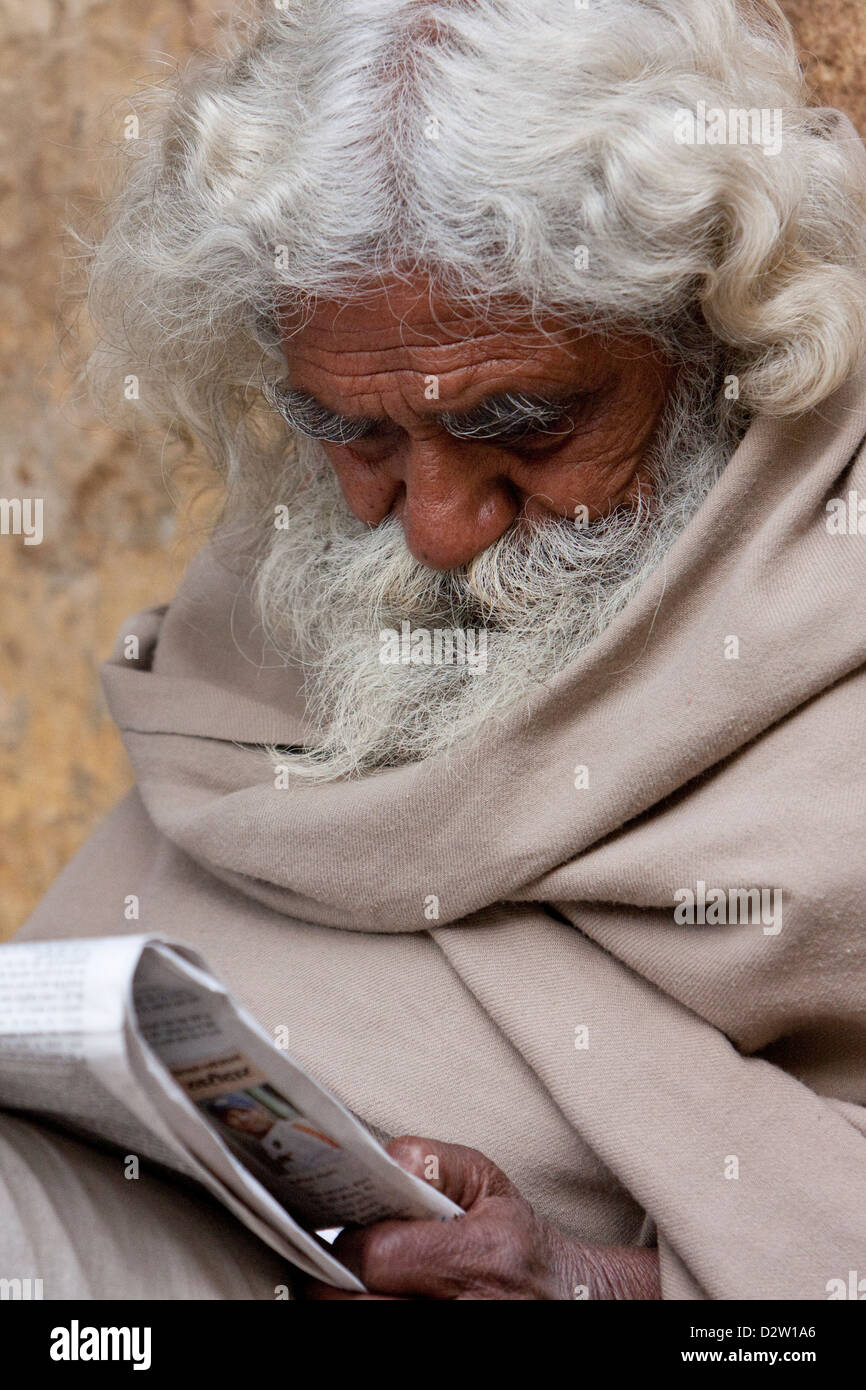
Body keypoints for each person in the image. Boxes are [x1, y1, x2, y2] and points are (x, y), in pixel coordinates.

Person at [5, 0, 866, 1300]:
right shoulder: (302, 563)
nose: (435, 527)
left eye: (522, 422)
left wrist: (604, 1288)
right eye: (350, 433)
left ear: (712, 337)